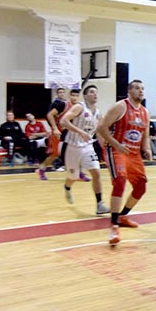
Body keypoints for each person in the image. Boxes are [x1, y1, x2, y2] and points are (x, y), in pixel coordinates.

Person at [97, 79, 152, 245]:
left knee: (141, 186)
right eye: (136, 88)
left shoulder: (145, 112)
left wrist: (147, 148)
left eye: (142, 88)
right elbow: (101, 128)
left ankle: (123, 216)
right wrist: (116, 144)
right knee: (120, 181)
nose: (140, 91)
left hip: (134, 153)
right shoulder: (120, 106)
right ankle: (113, 226)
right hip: (116, 150)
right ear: (129, 91)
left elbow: (146, 135)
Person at [59, 85, 109, 215]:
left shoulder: (98, 112)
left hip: (88, 147)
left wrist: (105, 149)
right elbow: (63, 121)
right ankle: (67, 187)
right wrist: (80, 132)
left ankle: (99, 204)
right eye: (92, 92)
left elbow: (99, 132)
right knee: (73, 177)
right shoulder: (79, 107)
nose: (95, 94)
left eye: (96, 92)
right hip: (73, 146)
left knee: (96, 173)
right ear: (86, 95)